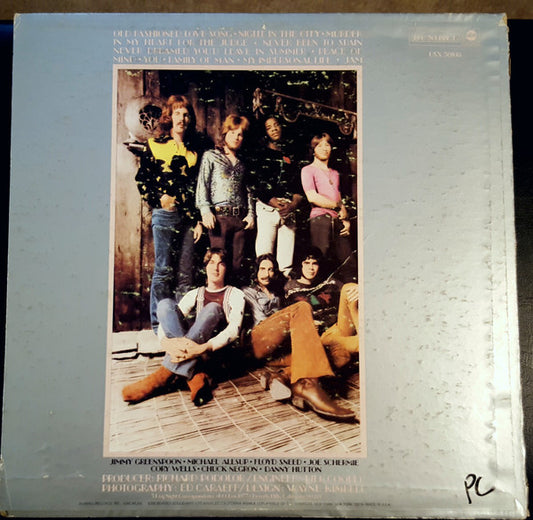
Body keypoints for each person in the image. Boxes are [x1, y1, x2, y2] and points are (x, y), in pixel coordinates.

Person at [122, 248, 245, 407]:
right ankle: (196, 376)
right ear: (205, 267)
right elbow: (167, 320)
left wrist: (204, 347)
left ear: (226, 268)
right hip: (193, 354)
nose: (215, 268)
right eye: (211, 263)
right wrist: (165, 341)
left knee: (213, 308)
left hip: (214, 355)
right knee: (165, 305)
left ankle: (162, 376)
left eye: (221, 264)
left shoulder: (235, 294)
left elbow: (234, 329)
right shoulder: (195, 293)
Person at [242, 254, 355, 422]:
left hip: (279, 352)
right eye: (262, 269)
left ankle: (282, 376)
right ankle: (307, 384)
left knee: (338, 354)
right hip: (259, 341)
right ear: (255, 271)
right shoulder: (247, 292)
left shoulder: (281, 290)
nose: (266, 274)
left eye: (271, 269)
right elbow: (263, 323)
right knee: (302, 307)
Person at [131, 94, 209, 333]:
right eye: (177, 113)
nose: (181, 118)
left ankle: (181, 326)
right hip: (165, 216)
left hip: (188, 220)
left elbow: (196, 189)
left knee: (186, 274)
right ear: (169, 117)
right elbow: (142, 180)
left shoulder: (194, 152)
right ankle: (159, 327)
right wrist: (159, 200)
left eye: (185, 114)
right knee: (163, 271)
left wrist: (198, 220)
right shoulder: (155, 145)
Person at [195, 115, 255, 281]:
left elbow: (249, 190)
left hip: (240, 219)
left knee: (237, 264)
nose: (236, 137)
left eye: (240, 134)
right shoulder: (211, 156)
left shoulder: (243, 163)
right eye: (233, 132)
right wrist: (205, 211)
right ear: (225, 133)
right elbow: (203, 184)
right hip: (219, 218)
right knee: (218, 262)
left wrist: (251, 214)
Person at [285, 248, 359, 370]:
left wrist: (358, 288)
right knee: (344, 348)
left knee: (349, 287)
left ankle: (362, 336)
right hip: (322, 334)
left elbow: (349, 293)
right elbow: (291, 315)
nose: (311, 268)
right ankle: (365, 342)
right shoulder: (291, 287)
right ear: (300, 265)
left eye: (314, 263)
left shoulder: (330, 282)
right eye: (306, 263)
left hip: (340, 326)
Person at [301, 133, 357, 283]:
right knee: (321, 260)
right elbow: (312, 197)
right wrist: (338, 207)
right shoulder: (308, 170)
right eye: (319, 145)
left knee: (348, 262)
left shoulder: (334, 173)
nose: (324, 148)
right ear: (313, 149)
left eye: (327, 145)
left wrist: (346, 219)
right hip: (320, 219)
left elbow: (338, 198)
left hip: (337, 220)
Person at [252, 116, 303, 277]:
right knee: (264, 256)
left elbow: (299, 185)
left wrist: (293, 205)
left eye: (276, 125)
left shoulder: (291, 154)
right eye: (269, 127)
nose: (274, 129)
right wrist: (274, 202)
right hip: (267, 209)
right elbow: (256, 183)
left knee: (286, 262)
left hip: (288, 209)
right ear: (265, 132)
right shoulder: (260, 154)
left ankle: (284, 289)